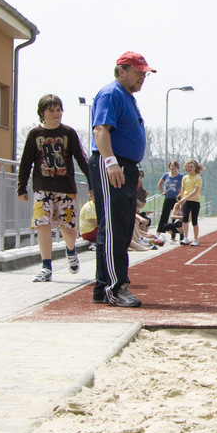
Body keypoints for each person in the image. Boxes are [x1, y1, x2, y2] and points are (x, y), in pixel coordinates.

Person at [89, 51, 156, 308]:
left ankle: (103, 287)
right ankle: (114, 287)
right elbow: (101, 130)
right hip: (112, 165)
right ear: (121, 71)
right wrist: (111, 162)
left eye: (144, 74)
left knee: (124, 227)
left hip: (125, 167)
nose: (142, 78)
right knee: (114, 229)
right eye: (138, 72)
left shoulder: (127, 97)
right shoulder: (111, 94)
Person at [17, 94, 90, 282]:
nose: (56, 114)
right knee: (43, 223)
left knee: (69, 228)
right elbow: (26, 162)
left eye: (59, 110)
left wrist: (92, 184)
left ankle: (71, 250)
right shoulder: (35, 135)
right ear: (43, 113)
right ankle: (46, 267)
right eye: (52, 110)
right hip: (42, 187)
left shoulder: (68, 133)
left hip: (65, 188)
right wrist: (22, 188)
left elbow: (82, 159)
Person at [178, 158, 204, 246]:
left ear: (195, 168)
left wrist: (185, 198)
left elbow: (195, 191)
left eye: (191, 167)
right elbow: (183, 190)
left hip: (195, 201)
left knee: (194, 220)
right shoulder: (184, 178)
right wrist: (182, 200)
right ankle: (185, 237)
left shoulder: (198, 178)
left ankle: (196, 239)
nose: (189, 168)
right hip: (186, 201)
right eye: (188, 167)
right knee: (185, 219)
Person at [156, 160, 183, 239]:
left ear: (177, 167)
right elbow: (159, 183)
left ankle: (174, 233)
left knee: (174, 217)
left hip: (176, 199)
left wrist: (181, 192)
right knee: (164, 216)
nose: (172, 167)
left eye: (174, 166)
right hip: (167, 198)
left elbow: (184, 186)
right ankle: (158, 233)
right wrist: (162, 191)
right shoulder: (166, 175)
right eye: (171, 166)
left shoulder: (180, 176)